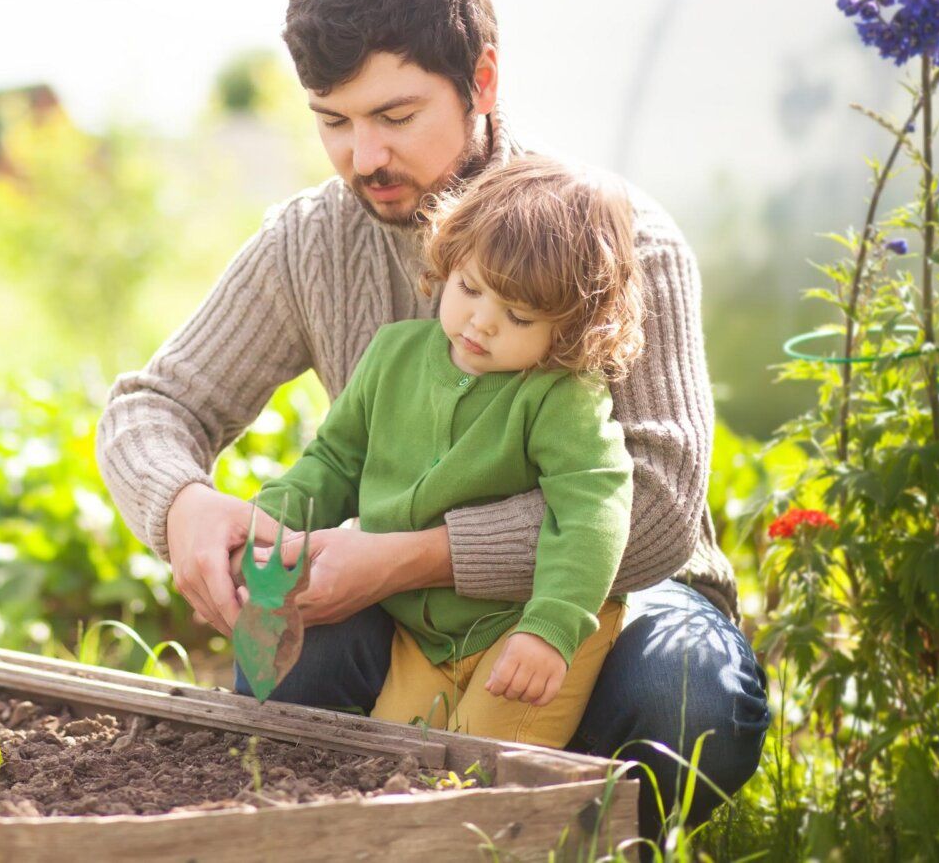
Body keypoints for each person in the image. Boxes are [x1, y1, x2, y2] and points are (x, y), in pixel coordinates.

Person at [94, 0, 769, 837]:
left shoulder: (619, 241)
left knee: (688, 699)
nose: (361, 156)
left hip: (609, 601)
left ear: (482, 81)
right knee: (280, 672)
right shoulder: (314, 239)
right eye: (332, 121)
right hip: (402, 605)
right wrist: (182, 505)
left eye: (395, 117)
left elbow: (653, 512)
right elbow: (154, 405)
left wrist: (414, 550)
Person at [241, 155, 642, 748]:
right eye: (470, 288)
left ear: (573, 326)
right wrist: (270, 522)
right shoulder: (393, 355)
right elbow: (333, 460)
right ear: (448, 262)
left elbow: (593, 510)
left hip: (527, 623)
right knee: (390, 763)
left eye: (519, 315)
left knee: (474, 765)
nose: (481, 323)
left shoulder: (561, 394)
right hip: (423, 638)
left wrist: (553, 626)